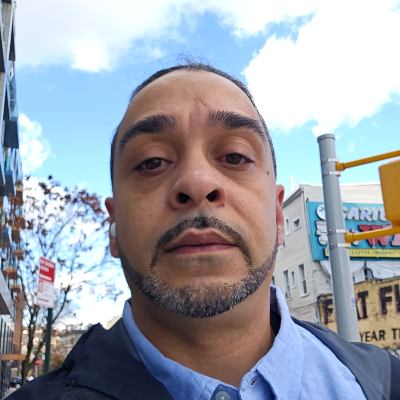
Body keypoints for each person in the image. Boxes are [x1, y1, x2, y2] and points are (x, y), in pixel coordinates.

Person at [10, 62, 399, 400]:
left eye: (234, 156)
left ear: (279, 217)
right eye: (152, 162)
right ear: (114, 228)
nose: (196, 182)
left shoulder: (387, 383)